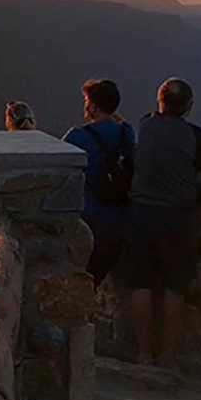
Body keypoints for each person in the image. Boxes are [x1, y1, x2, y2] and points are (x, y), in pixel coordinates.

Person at [118, 78, 201, 370]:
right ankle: (167, 357)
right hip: (177, 218)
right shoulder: (195, 136)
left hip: (140, 212)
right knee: (174, 288)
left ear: (160, 102)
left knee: (140, 285)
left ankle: (143, 355)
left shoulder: (146, 126)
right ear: (189, 107)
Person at [63, 79, 135, 288]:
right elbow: (124, 128)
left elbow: (53, 159)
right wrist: (111, 111)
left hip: (89, 222)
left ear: (92, 107)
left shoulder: (77, 137)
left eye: (87, 102)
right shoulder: (126, 133)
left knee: (79, 285)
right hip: (122, 221)